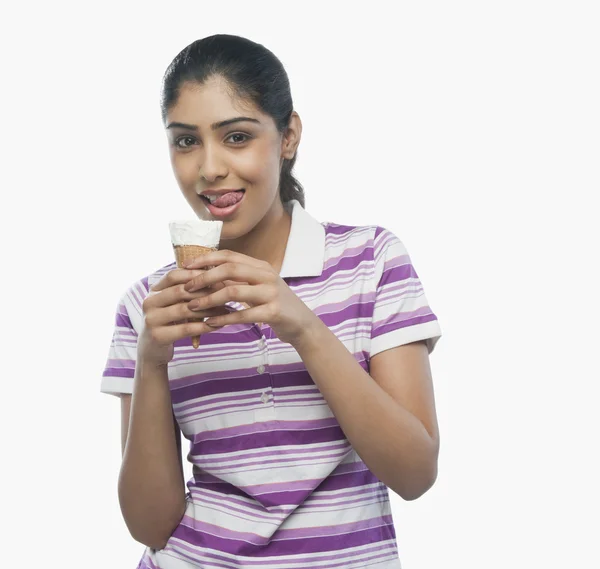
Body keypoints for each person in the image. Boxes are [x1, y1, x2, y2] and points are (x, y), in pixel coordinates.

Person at [101, 34, 443, 569]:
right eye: (186, 141)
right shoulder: (148, 304)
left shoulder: (371, 261)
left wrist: (302, 325)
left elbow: (415, 474)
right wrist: (150, 359)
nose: (209, 168)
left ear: (288, 137)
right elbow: (148, 525)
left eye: (236, 136)